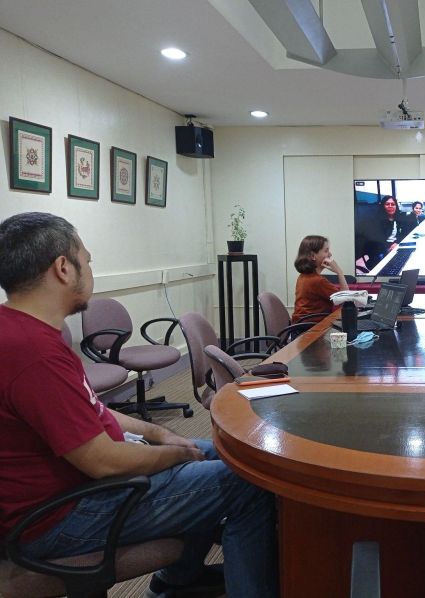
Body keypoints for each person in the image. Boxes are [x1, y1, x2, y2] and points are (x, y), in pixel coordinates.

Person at [0, 212, 276, 598]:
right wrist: (175, 456)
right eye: (88, 261)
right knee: (249, 482)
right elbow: (103, 461)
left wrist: (158, 432)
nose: (90, 271)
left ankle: (180, 581)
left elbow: (91, 408)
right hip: (60, 518)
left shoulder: (23, 330)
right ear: (64, 268)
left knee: (229, 452)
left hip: (80, 490)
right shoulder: (33, 352)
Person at [292, 235, 349, 323]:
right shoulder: (316, 280)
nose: (330, 254)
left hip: (302, 326)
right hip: (308, 329)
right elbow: (345, 298)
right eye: (326, 251)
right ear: (312, 256)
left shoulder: (304, 276)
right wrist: (339, 271)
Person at [359, 195, 413, 270]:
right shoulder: (377, 220)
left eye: (393, 204)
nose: (390, 206)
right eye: (387, 204)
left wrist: (397, 242)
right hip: (380, 250)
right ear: (383, 206)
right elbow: (377, 240)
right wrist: (389, 248)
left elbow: (404, 232)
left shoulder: (399, 217)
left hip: (394, 246)